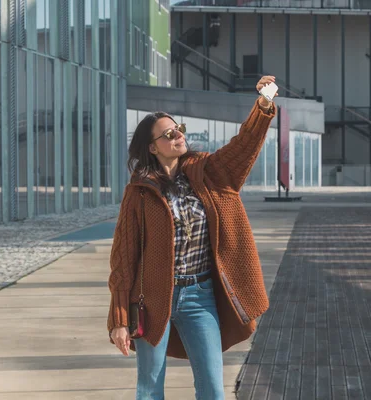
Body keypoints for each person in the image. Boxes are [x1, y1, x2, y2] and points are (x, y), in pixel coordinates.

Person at [107, 76, 278, 400]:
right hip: (152, 299)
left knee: (213, 389)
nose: (179, 136)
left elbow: (244, 147)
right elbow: (123, 258)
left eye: (179, 129)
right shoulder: (139, 193)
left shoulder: (209, 172)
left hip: (200, 296)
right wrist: (118, 318)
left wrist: (263, 105)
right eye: (169, 134)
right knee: (150, 389)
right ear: (153, 147)